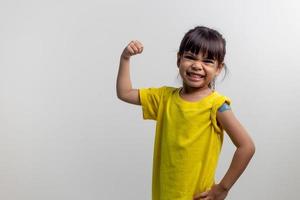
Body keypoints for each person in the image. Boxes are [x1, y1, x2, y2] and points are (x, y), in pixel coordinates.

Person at [116, 26, 255, 200]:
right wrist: (125, 58)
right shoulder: (164, 98)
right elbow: (124, 92)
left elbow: (247, 147)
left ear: (219, 68)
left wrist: (222, 188)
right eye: (190, 57)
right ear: (179, 59)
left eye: (208, 61)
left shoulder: (217, 105)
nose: (197, 66)